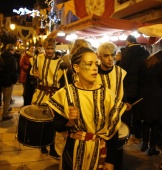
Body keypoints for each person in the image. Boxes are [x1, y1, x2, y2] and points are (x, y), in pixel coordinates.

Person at [46, 46, 127, 170]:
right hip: (72, 151)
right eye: (89, 64)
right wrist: (68, 121)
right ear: (76, 67)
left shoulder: (107, 95)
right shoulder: (65, 93)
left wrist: (110, 161)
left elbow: (113, 132)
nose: (94, 68)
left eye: (96, 63)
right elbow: (57, 125)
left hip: (100, 152)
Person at [96, 42, 131, 170]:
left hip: (115, 117)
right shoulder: (93, 72)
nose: (111, 58)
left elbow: (122, 90)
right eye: (106, 56)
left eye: (113, 55)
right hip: (97, 120)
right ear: (98, 56)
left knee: (116, 153)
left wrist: (125, 102)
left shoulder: (120, 72)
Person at [30, 37, 64, 159]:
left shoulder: (60, 62)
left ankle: (53, 147)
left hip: (53, 96)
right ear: (44, 48)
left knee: (52, 124)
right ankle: (43, 145)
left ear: (55, 48)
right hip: (40, 94)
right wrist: (34, 75)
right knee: (42, 123)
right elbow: (32, 74)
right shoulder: (37, 59)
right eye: (47, 48)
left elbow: (63, 79)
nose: (49, 51)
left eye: (51, 48)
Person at [136, 50, 162, 156]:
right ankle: (152, 148)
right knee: (156, 122)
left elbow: (139, 79)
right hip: (156, 97)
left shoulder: (146, 63)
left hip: (144, 96)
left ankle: (144, 144)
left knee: (146, 121)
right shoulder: (161, 65)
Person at [119, 35, 150, 143]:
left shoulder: (127, 52)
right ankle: (137, 135)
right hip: (141, 88)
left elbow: (122, 69)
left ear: (128, 42)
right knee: (137, 114)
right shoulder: (145, 53)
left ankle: (126, 134)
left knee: (126, 112)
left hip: (127, 88)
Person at [0, 44, 18, 121]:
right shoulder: (12, 58)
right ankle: (5, 115)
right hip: (8, 81)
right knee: (7, 99)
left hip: (1, 80)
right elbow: (14, 71)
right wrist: (14, 80)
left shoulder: (1, 56)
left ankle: (5, 109)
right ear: (12, 50)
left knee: (1, 97)